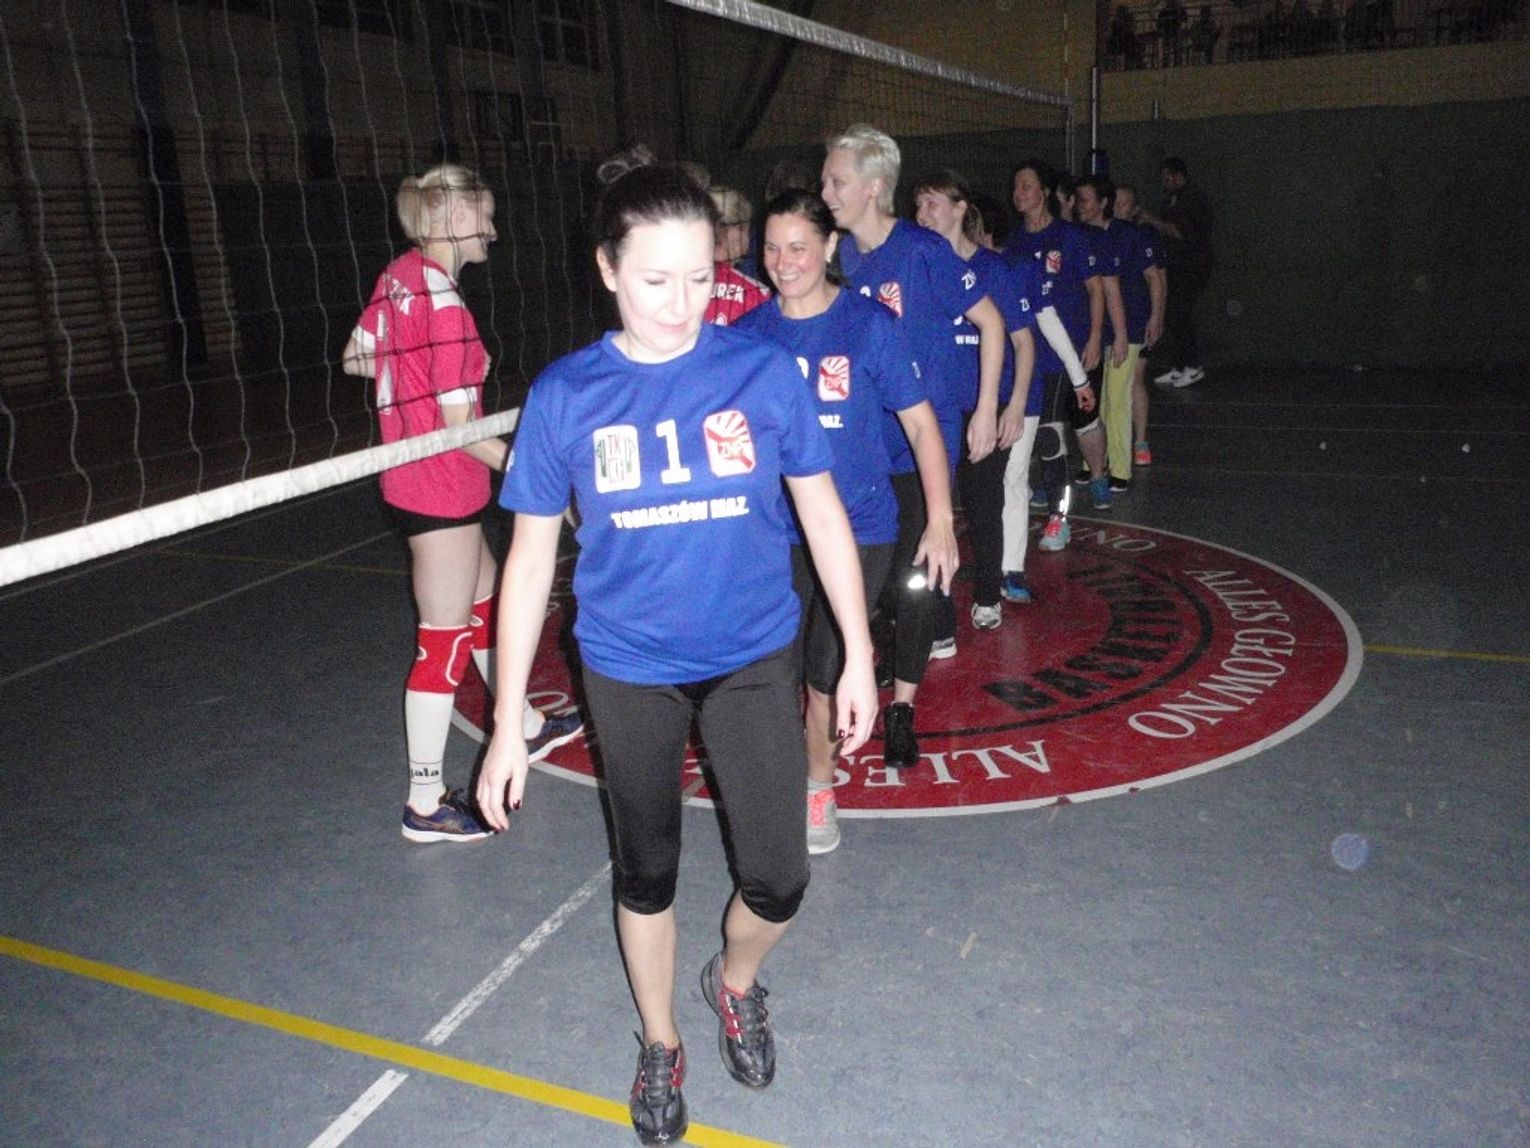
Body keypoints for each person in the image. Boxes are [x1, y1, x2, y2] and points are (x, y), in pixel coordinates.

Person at [474, 149, 877, 1146]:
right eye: (656, 280)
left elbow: (822, 513)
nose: (682, 303)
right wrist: (504, 723)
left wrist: (860, 653)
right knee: (646, 869)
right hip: (626, 666)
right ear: (607, 268)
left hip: (754, 656)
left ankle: (733, 980)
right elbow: (528, 562)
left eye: (700, 277)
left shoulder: (760, 372)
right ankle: (660, 1039)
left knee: (781, 877)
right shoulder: (567, 395)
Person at [341, 163, 581, 845]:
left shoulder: (399, 276)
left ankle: (525, 724)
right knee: (442, 641)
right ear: (453, 217)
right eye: (487, 215)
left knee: (489, 601)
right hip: (437, 486)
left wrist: (413, 375)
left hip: (419, 478)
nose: (495, 231)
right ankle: (424, 801)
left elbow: (357, 358)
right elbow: (459, 431)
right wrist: (538, 474)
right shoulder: (446, 305)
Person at [739, 188, 955, 854]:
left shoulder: (868, 325)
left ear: (830, 246)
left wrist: (941, 518)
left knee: (825, 667)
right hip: (775, 531)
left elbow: (921, 426)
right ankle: (786, 768)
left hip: (860, 526)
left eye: (799, 247)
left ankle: (817, 786)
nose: (784, 262)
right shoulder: (748, 335)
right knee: (773, 666)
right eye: (771, 248)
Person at [821, 123, 1005, 768]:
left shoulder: (924, 252)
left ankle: (902, 705)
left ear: (874, 187)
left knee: (917, 580)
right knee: (859, 579)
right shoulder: (835, 257)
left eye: (837, 181)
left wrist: (987, 408)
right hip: (858, 450)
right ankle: (867, 661)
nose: (826, 191)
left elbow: (991, 323)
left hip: (922, 448)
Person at [911, 169, 1035, 632]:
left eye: (932, 203)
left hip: (983, 409)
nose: (922, 214)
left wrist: (1014, 406)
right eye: (918, 205)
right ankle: (939, 617)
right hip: (934, 413)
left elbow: (1023, 342)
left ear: (960, 208)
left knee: (984, 508)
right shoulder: (919, 265)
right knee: (932, 512)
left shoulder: (992, 269)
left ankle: (987, 593)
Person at [1005, 158, 1111, 551]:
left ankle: (1063, 512)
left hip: (1066, 350)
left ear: (1044, 192)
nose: (1019, 193)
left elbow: (1096, 289)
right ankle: (1051, 489)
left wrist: (1095, 337)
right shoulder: (1014, 242)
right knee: (1043, 433)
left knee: (1062, 428)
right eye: (1016, 187)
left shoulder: (1069, 237)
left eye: (1026, 185)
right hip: (1029, 355)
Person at [1075, 174, 1163, 492]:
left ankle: (1121, 468)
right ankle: (1094, 462)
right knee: (1094, 399)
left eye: (1085, 199)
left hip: (1129, 324)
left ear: (1103, 203)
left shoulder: (1130, 235)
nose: (1079, 206)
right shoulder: (1080, 235)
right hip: (1096, 326)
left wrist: (1156, 317)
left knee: (1117, 396)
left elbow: (1154, 277)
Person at [1137, 156, 1214, 388]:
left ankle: (1193, 365)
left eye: (1168, 178)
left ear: (1179, 176)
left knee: (1180, 313)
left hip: (1192, 266)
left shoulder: (1194, 199)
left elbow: (1180, 232)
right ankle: (1180, 366)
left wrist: (1151, 220)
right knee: (1171, 314)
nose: (1165, 183)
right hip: (1176, 265)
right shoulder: (1171, 200)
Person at [1112, 182, 1166, 468]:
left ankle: (1140, 441)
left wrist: (1157, 316)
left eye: (1124, 203)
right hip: (1110, 322)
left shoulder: (1144, 237)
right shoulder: (1102, 234)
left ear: (1134, 210)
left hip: (1136, 318)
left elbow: (1158, 278)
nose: (1117, 207)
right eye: (1114, 201)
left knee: (1135, 378)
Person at [703, 184, 771, 326]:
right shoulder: (756, 294)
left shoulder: (672, 283)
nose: (748, 237)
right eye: (746, 228)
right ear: (734, 230)